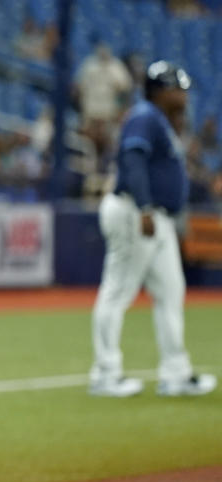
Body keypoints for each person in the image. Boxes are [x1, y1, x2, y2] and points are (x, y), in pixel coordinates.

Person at [88, 61, 216, 397]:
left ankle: (175, 374)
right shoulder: (144, 115)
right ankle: (105, 374)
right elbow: (132, 161)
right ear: (160, 91)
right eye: (178, 88)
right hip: (135, 210)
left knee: (171, 292)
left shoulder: (157, 118)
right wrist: (144, 206)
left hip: (156, 217)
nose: (184, 95)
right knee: (117, 292)